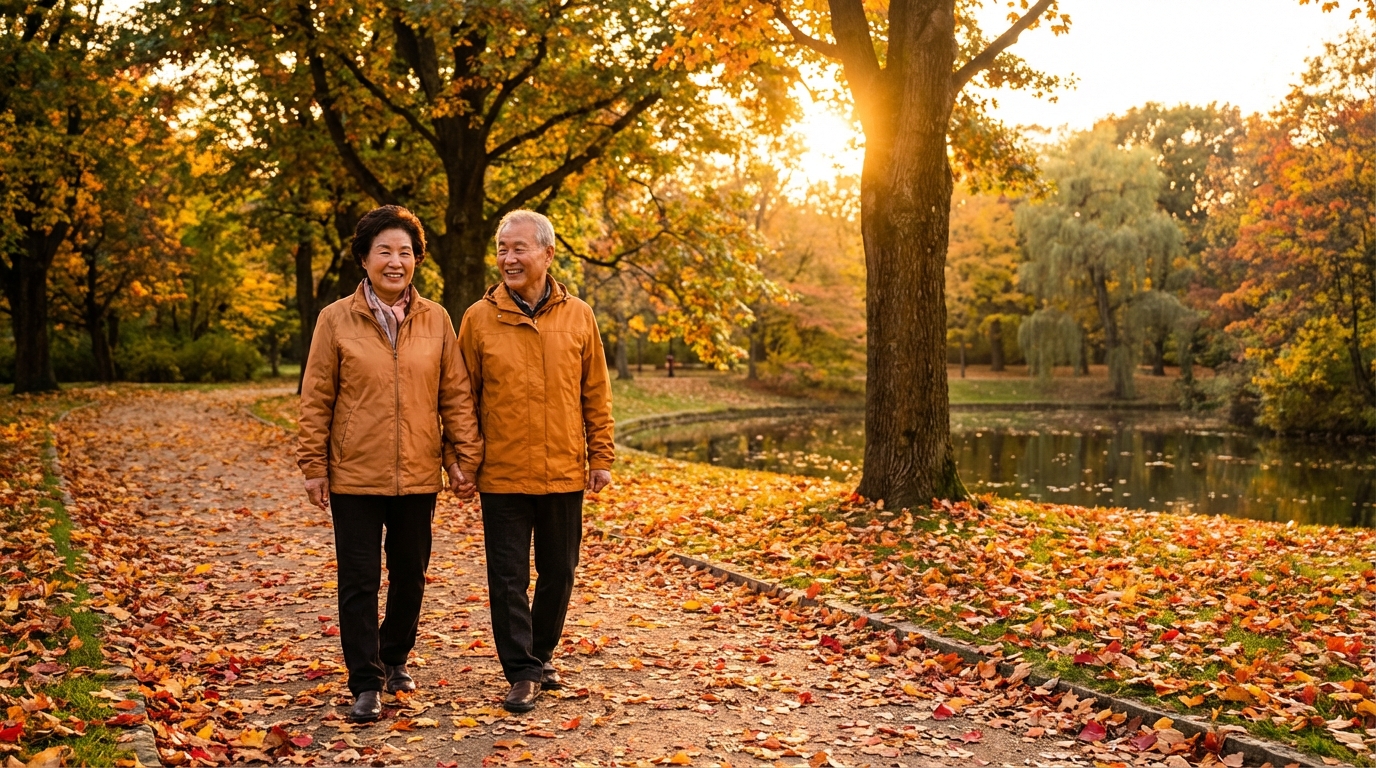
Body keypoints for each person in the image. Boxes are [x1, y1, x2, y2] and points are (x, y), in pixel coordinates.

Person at [298, 205, 481, 723]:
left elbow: (456, 394)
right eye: (385, 251)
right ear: (364, 258)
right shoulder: (335, 319)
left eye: (405, 251)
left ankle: (394, 657)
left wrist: (464, 456)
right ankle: (365, 681)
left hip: (418, 473)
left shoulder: (437, 319)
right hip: (354, 472)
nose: (395, 261)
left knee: (410, 576)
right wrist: (314, 465)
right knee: (358, 580)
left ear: (417, 260)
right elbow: (316, 396)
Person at [457, 209, 614, 713]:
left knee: (559, 571)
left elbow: (596, 392)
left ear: (547, 254)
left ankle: (542, 654)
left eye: (519, 248)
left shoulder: (579, 315)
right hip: (501, 472)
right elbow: (462, 397)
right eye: (502, 248)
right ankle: (521, 670)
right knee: (507, 578)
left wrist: (601, 456)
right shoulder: (478, 318)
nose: (508, 257)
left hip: (564, 469)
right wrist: (460, 457)